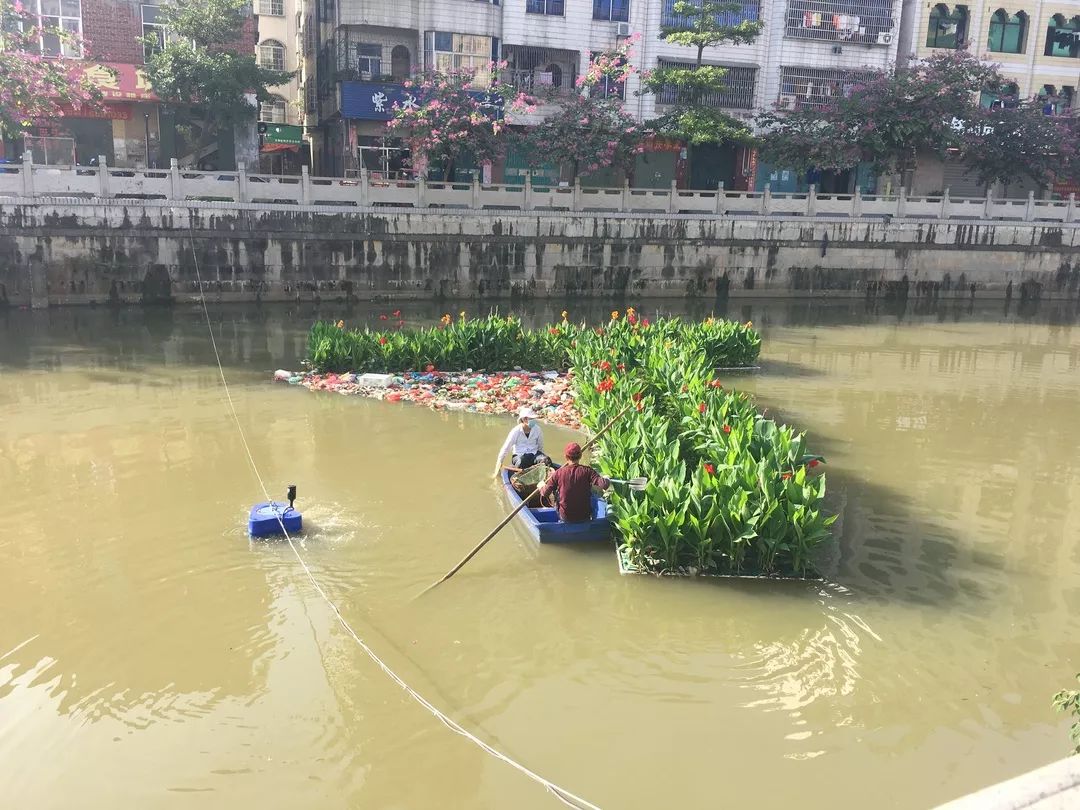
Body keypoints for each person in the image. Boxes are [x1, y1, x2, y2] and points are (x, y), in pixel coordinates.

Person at [537, 442, 610, 523]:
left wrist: (541, 486)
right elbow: (604, 484)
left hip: (565, 517)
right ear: (580, 456)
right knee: (592, 493)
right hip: (584, 516)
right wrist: (606, 479)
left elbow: (545, 493)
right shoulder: (588, 471)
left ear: (566, 457)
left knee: (557, 493)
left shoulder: (558, 473)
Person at [492, 407, 547, 478]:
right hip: (519, 455)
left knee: (545, 460)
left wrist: (542, 458)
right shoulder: (516, 431)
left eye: (533, 419)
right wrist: (498, 465)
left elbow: (540, 446)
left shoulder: (537, 429)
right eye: (531, 419)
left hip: (534, 454)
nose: (533, 421)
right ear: (524, 419)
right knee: (522, 462)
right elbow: (505, 448)